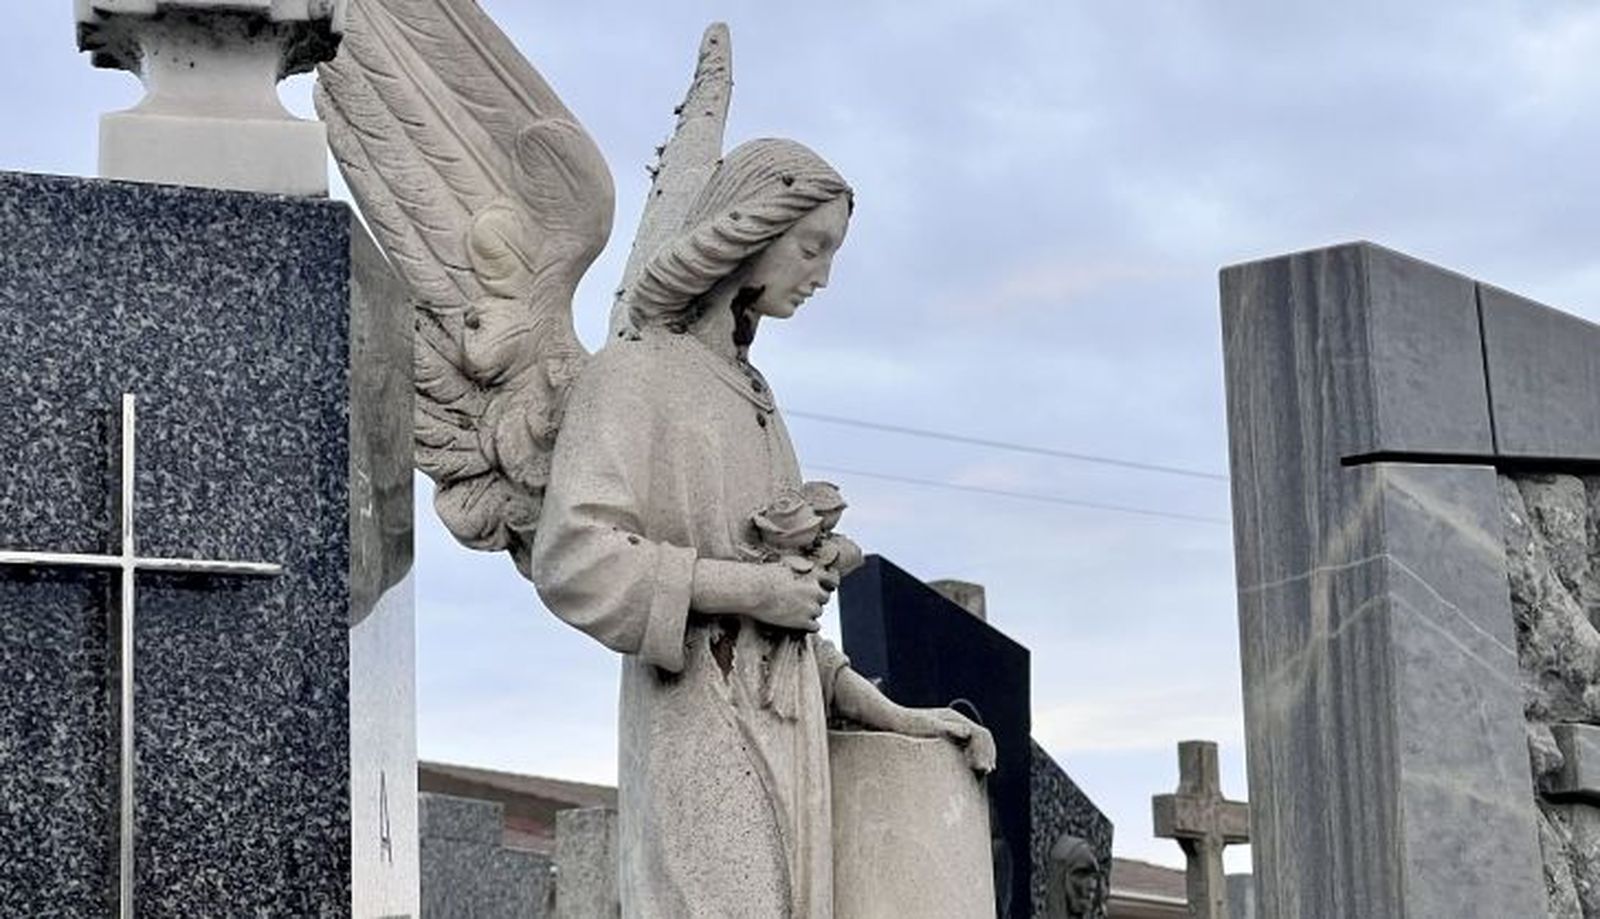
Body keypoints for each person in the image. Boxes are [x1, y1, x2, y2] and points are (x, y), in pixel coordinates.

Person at [532, 138, 994, 918]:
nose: (823, 275)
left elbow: (790, 624)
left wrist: (892, 713)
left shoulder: (756, 395)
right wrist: (754, 588)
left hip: (790, 745)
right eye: (811, 247)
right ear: (750, 232)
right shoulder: (634, 374)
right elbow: (573, 558)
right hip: (698, 734)